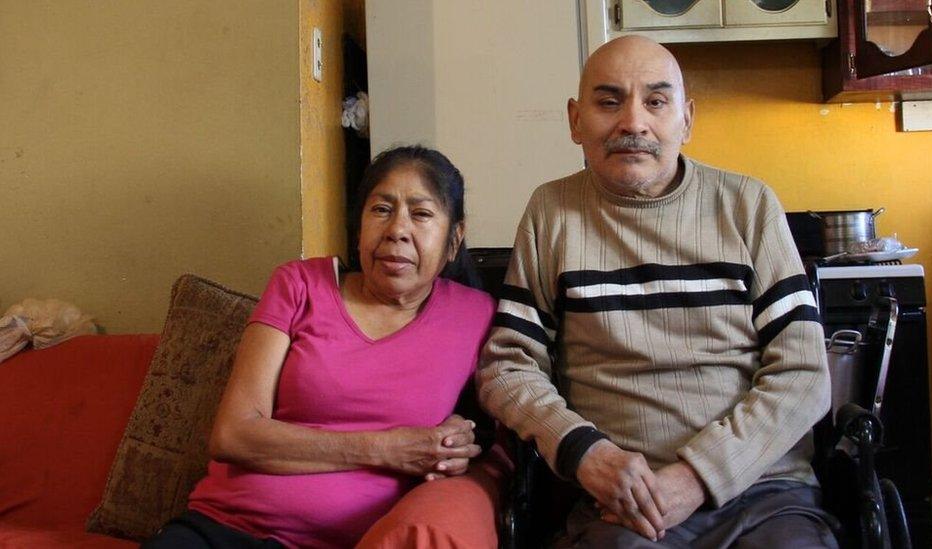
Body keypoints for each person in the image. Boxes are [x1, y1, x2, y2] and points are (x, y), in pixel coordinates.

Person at [477, 36, 837, 548]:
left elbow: (803, 374)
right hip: (620, 504)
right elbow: (508, 368)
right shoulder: (552, 213)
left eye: (655, 101)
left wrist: (697, 476)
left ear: (686, 118)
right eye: (608, 102)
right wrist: (587, 455)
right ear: (576, 120)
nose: (633, 123)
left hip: (764, 492)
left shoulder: (747, 205)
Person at [144, 146, 497, 549]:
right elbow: (232, 435)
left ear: (455, 238)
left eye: (421, 214)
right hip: (223, 528)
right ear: (358, 226)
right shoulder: (299, 284)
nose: (397, 229)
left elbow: (501, 428)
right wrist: (388, 448)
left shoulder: (475, 316)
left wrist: (466, 442)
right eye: (381, 209)